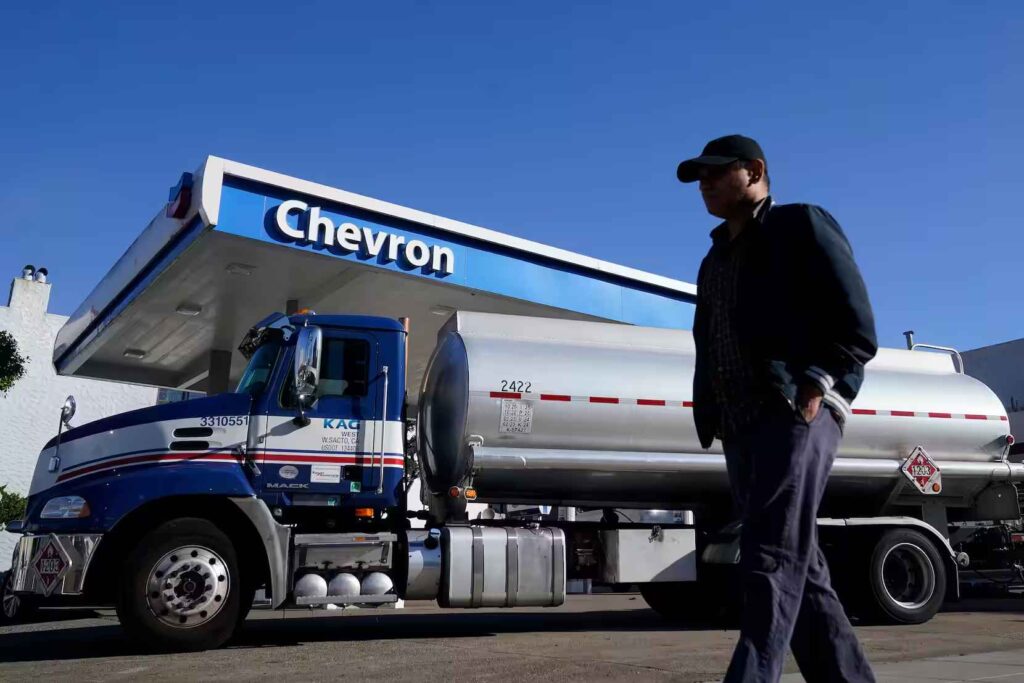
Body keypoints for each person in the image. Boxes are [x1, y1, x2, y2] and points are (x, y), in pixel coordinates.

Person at [678, 135, 878, 682]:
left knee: (768, 557)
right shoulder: (713, 260)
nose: (705, 183)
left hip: (795, 412)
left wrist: (814, 384)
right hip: (740, 425)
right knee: (800, 568)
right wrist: (714, 413)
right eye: (700, 177)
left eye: (716, 172)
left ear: (755, 171)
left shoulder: (800, 226)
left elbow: (856, 323)